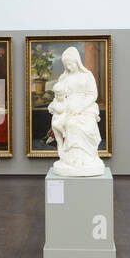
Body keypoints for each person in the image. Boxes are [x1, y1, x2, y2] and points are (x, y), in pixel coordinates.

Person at [48, 47, 103, 176]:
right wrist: (54, 104)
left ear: (77, 61)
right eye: (66, 64)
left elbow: (92, 95)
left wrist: (80, 107)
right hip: (67, 108)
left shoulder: (87, 75)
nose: (68, 66)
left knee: (79, 124)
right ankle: (72, 157)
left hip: (85, 107)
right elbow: (58, 95)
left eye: (70, 63)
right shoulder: (63, 77)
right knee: (70, 124)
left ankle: (85, 158)